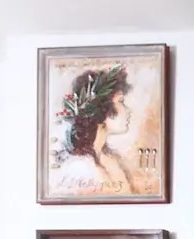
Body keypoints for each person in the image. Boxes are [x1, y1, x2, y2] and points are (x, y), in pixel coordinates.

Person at [51, 65, 136, 195]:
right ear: (103, 108)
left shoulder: (109, 159)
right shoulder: (80, 167)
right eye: (121, 101)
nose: (128, 110)